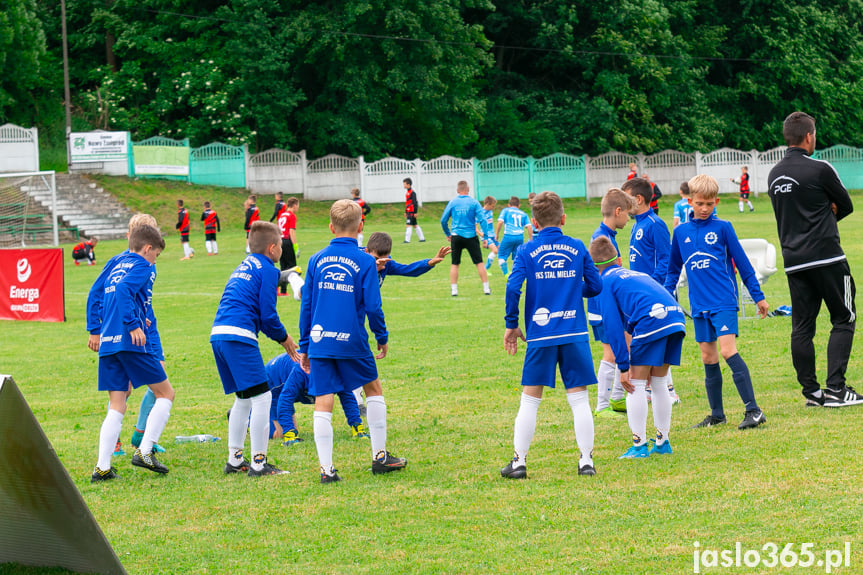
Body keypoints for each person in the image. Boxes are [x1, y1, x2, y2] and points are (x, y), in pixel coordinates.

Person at [299, 199, 406, 483]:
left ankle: (327, 470)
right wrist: (381, 336)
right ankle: (380, 456)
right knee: (373, 388)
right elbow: (373, 306)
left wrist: (304, 346)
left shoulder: (315, 259)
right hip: (353, 341)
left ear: (330, 227)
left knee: (324, 398)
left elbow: (306, 307)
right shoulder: (365, 261)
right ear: (361, 226)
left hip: (320, 340)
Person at [501, 191, 601, 479]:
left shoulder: (526, 251)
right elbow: (595, 286)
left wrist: (511, 323)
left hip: (541, 334)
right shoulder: (578, 246)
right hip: (574, 332)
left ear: (533, 222)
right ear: (564, 219)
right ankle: (586, 462)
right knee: (579, 399)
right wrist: (569, 290)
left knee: (530, 400)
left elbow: (512, 288)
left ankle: (519, 462)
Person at [768, 111, 861, 407]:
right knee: (844, 317)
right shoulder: (820, 168)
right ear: (809, 136)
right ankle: (836, 388)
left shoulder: (773, 174)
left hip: (794, 261)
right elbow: (845, 205)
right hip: (827, 257)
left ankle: (812, 392)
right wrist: (827, 214)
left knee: (802, 327)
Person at [664, 174, 768, 430]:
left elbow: (743, 264)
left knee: (727, 351)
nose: (704, 208)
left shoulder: (723, 228)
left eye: (709, 204)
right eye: (699, 203)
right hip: (699, 304)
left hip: (723, 300)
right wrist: (666, 298)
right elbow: (673, 270)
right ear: (689, 201)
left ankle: (753, 410)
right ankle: (717, 414)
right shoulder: (680, 233)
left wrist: (758, 296)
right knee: (708, 357)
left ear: (716, 201)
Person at [211, 221, 300, 477]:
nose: (282, 248)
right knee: (263, 397)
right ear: (272, 248)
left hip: (218, 334)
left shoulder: (243, 264)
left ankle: (235, 460)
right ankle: (259, 464)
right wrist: (284, 338)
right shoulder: (268, 269)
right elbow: (268, 316)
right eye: (281, 244)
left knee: (243, 398)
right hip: (239, 336)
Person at [89, 224, 174, 482]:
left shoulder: (116, 261)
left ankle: (102, 467)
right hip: (130, 341)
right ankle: (145, 451)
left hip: (108, 341)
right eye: (156, 255)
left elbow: (95, 292)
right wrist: (134, 325)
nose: (155, 261)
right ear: (148, 249)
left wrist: (94, 329)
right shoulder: (143, 265)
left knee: (117, 403)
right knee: (165, 393)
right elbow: (126, 290)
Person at [589, 236, 686, 459]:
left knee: (635, 383)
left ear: (594, 270)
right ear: (619, 260)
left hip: (651, 319)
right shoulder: (636, 274)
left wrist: (623, 367)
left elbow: (613, 328)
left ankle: (639, 445)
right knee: (660, 381)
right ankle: (663, 441)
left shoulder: (604, 284)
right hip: (675, 316)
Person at [623, 176, 678, 403]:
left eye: (626, 199)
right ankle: (665, 389)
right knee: (648, 339)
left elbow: (666, 260)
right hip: (641, 294)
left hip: (654, 295)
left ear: (638, 199)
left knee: (657, 339)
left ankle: (668, 391)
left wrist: (656, 288)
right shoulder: (637, 223)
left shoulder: (656, 225)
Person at [589, 189, 635, 417]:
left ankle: (617, 398)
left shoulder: (609, 235)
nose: (628, 218)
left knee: (623, 348)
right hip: (602, 307)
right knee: (610, 354)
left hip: (612, 306)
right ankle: (602, 405)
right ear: (617, 211)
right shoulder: (601, 238)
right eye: (627, 213)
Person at [265, 353, 368, 446]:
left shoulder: (337, 373)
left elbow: (348, 397)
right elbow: (285, 399)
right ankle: (251, 420)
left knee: (291, 426)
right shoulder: (301, 371)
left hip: (290, 385)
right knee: (280, 433)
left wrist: (357, 427)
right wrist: (289, 434)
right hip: (272, 386)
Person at [440, 180, 491, 296]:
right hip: (471, 236)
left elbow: (443, 220)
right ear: (468, 190)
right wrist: (485, 236)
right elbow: (483, 220)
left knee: (455, 263)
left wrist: (448, 233)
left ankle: (454, 290)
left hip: (456, 236)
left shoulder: (453, 202)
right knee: (479, 263)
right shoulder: (474, 202)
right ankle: (486, 289)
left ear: (457, 191)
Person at [494, 196, 533, 277]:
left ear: (509, 205)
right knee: (517, 258)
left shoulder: (505, 210)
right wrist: (531, 239)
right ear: (519, 206)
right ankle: (520, 276)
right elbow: (529, 226)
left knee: (501, 255)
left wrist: (497, 234)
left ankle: (507, 275)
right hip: (519, 237)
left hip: (508, 236)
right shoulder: (523, 214)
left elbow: (500, 222)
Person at [276, 197, 299, 297]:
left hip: (280, 241)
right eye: (298, 206)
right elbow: (291, 232)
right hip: (287, 241)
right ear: (294, 205)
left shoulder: (282, 215)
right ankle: (297, 290)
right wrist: (295, 246)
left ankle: (282, 290)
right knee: (293, 268)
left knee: (283, 266)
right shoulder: (292, 216)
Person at [479, 196, 499, 272]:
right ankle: (485, 269)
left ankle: (506, 271)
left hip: (492, 235)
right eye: (492, 206)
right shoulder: (480, 213)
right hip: (486, 236)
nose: (493, 208)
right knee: (495, 250)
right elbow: (474, 225)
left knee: (500, 251)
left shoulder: (490, 211)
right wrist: (480, 234)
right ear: (487, 204)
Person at [403, 178, 425, 243]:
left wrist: (415, 212)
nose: (403, 185)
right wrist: (405, 212)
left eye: (404, 184)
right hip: (409, 211)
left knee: (408, 225)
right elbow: (407, 203)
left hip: (411, 212)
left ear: (408, 184)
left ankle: (407, 240)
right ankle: (422, 238)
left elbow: (415, 203)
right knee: (415, 225)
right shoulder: (408, 192)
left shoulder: (412, 193)